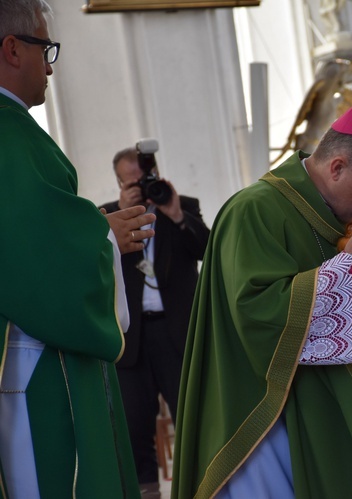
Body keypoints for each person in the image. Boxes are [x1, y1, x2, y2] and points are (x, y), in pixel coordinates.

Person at [171, 98, 352, 498]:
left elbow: (349, 316)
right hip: (272, 420)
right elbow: (256, 314)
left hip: (340, 407)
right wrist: (350, 266)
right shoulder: (255, 210)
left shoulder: (342, 216)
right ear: (337, 167)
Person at [0, 0, 156, 496]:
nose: (49, 66)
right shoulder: (10, 135)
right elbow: (28, 251)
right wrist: (105, 236)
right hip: (30, 357)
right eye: (45, 49)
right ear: (11, 49)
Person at [100, 147, 210, 497]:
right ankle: (146, 493)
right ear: (120, 183)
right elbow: (100, 268)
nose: (142, 186)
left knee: (193, 418)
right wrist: (120, 215)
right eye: (132, 181)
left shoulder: (181, 205)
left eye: (145, 178)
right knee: (133, 426)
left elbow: (207, 249)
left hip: (178, 334)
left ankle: (203, 488)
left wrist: (175, 214)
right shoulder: (110, 219)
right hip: (132, 338)